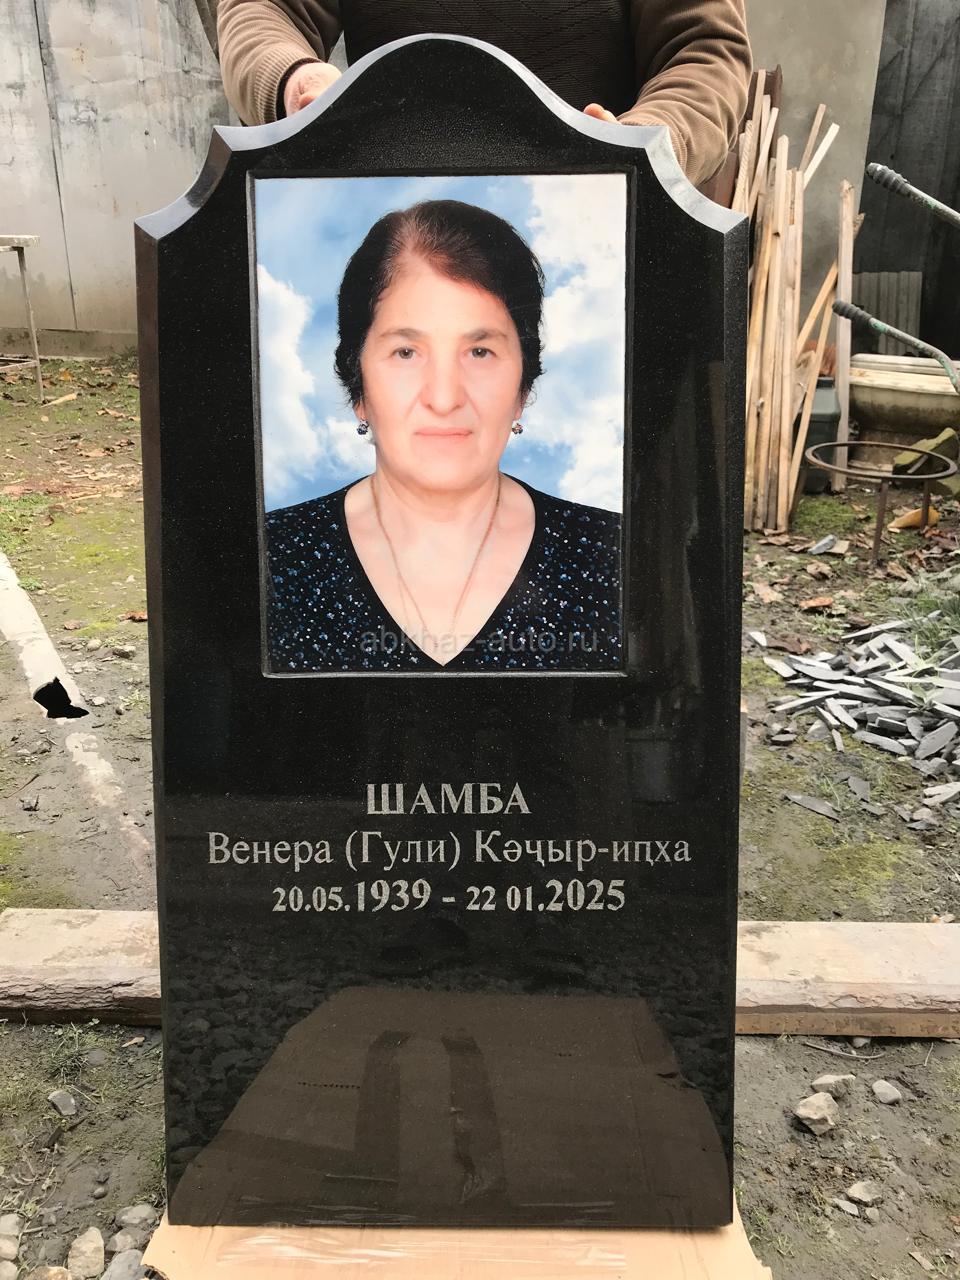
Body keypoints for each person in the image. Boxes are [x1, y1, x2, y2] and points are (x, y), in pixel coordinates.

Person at [264, 199, 621, 673]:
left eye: (479, 351)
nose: (444, 397)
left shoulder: (616, 554)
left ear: (523, 386)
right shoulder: (268, 556)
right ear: (358, 385)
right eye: (406, 352)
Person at [215, 0, 751, 190]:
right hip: (381, 202)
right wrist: (293, 78)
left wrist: (644, 144)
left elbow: (703, 51)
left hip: (603, 220)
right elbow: (267, 9)